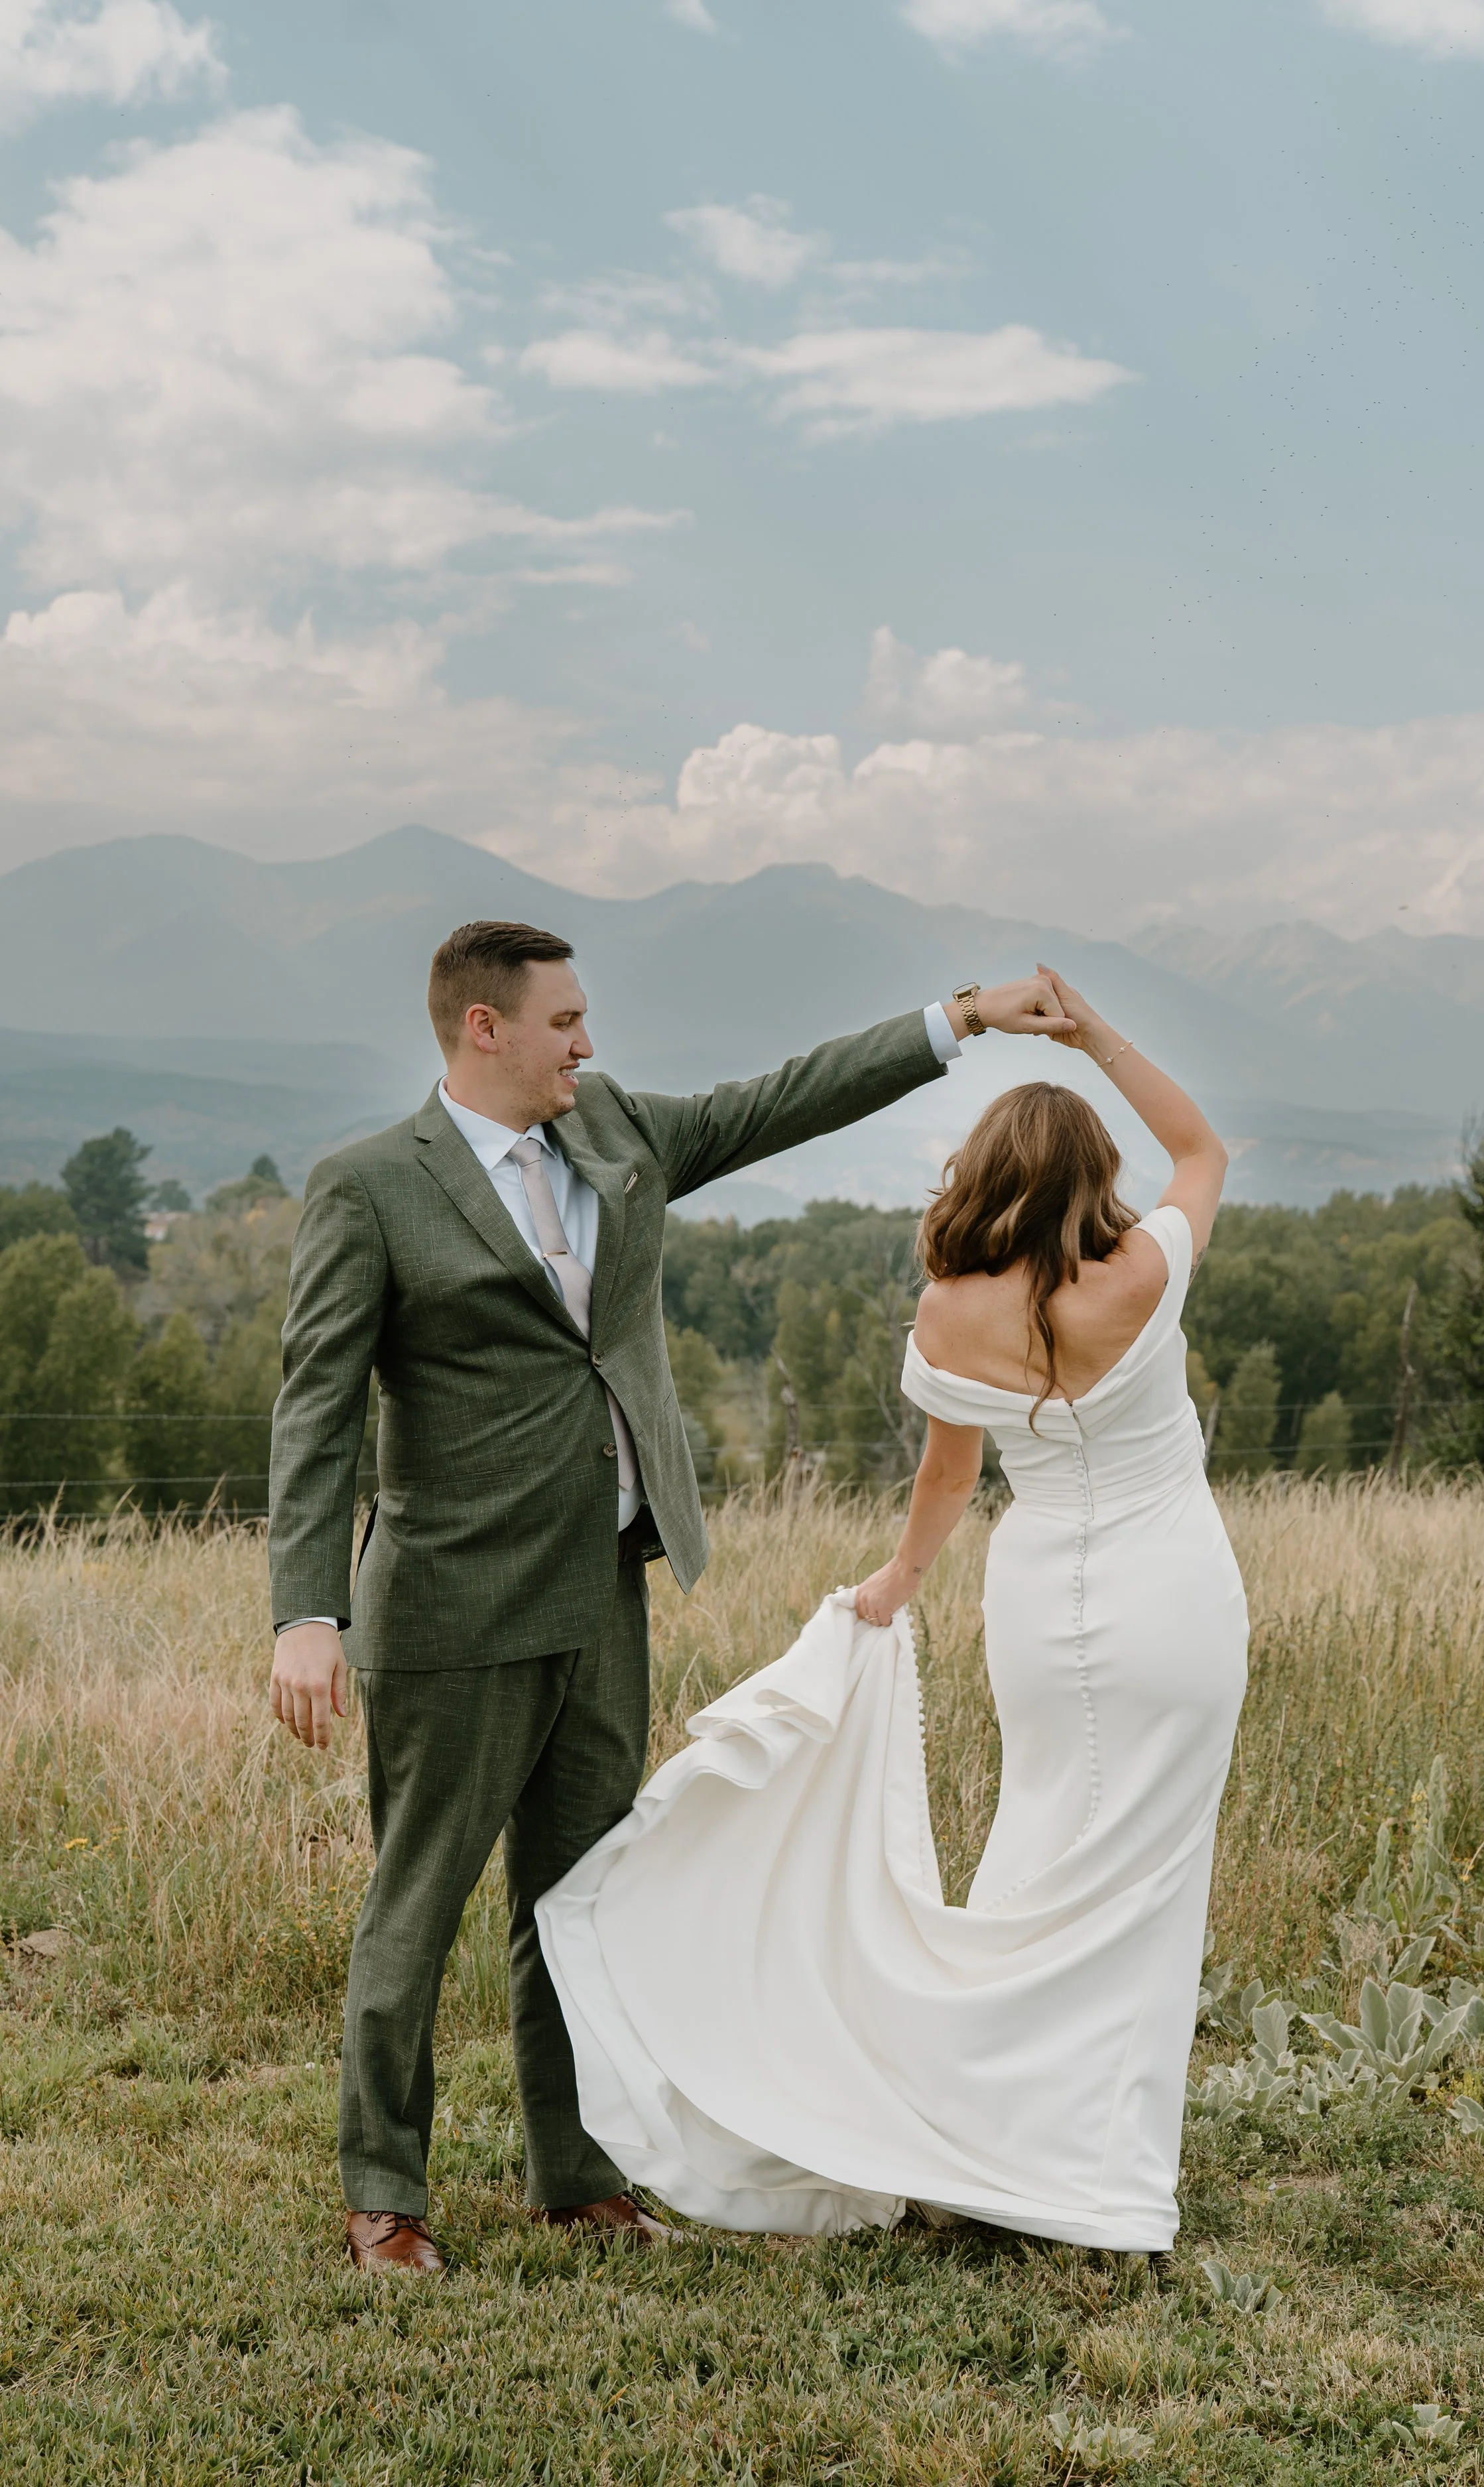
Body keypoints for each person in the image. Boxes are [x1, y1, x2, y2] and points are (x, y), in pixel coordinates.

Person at [265, 917, 1071, 2274]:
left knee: (576, 1905)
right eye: (565, 1021)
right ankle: (383, 2199)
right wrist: (305, 1613)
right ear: (485, 1029)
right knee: (417, 1905)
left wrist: (963, 1019)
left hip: (600, 1593)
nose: (589, 1041)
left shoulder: (618, 1132)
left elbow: (779, 1102)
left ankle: (576, 2177)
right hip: (449, 1610)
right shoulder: (369, 1188)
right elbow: (316, 1408)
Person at [535, 965, 1248, 2252]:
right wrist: (1091, 1038)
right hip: (1171, 1598)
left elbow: (949, 1470)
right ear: (1091, 1180)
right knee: (1145, 1875)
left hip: (1038, 1604)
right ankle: (1087, 2169)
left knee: (1031, 1857)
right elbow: (1198, 1145)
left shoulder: (949, 1311)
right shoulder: (1143, 1274)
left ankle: (984, 2147)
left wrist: (898, 1583)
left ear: (979, 1177)